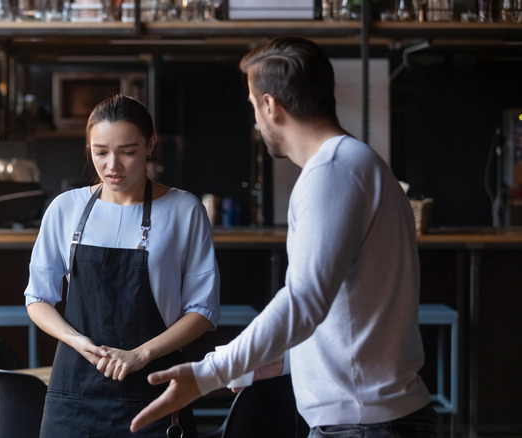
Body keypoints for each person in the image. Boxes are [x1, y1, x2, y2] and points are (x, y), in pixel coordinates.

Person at [131, 36, 437, 437]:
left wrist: (208, 374)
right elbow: (345, 323)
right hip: (373, 418)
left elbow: (303, 301)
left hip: (363, 425)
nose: (255, 120)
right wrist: (260, 362)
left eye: (253, 106)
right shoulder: (358, 163)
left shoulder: (332, 172)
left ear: (270, 105)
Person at [24, 94, 220, 438]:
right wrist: (77, 340)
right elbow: (38, 298)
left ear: (150, 145)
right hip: (74, 393)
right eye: (100, 152)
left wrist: (141, 354)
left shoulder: (184, 209)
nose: (112, 165)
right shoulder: (64, 208)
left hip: (153, 388)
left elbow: (203, 311)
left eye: (127, 152)